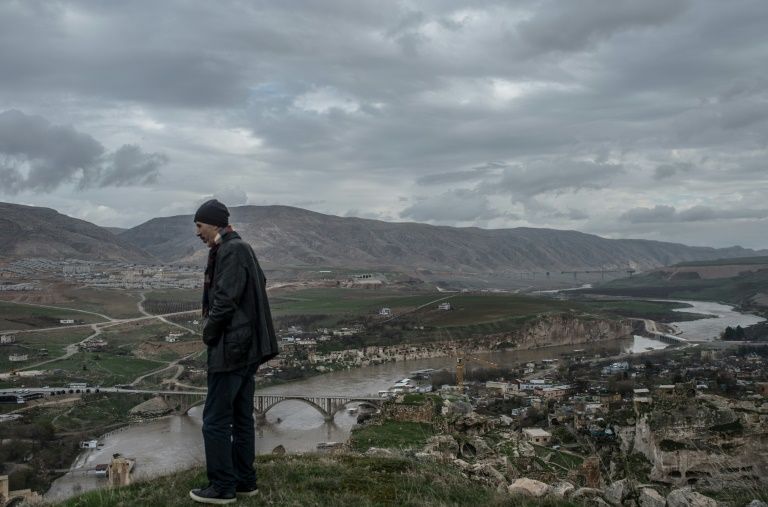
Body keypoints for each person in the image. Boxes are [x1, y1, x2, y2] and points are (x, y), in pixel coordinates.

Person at [189, 199, 279, 505]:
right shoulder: (241, 249)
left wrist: (209, 333)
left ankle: (222, 487)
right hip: (247, 349)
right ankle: (245, 481)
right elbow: (258, 284)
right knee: (241, 417)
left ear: (213, 223)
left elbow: (224, 300)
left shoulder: (229, 251)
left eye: (199, 225)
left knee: (214, 419)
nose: (197, 232)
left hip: (232, 349)